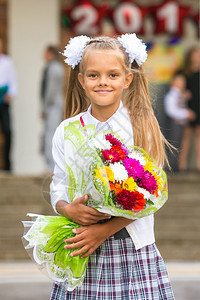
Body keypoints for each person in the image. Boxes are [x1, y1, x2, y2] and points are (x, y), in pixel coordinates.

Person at [50, 34, 175, 299]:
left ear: (127, 79)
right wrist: (66, 207)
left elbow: (152, 193)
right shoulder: (67, 130)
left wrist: (103, 230)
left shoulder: (141, 126)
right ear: (81, 79)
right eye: (93, 75)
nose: (103, 82)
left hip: (133, 249)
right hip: (82, 246)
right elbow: (58, 185)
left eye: (113, 75)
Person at [164, 71, 196, 172]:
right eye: (179, 81)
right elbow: (171, 111)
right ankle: (172, 167)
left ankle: (177, 166)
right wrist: (186, 114)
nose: (181, 83)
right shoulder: (172, 95)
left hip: (181, 125)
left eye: (183, 81)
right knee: (174, 146)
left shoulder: (180, 94)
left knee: (180, 146)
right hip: (174, 124)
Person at [40, 45, 65, 173]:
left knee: (50, 134)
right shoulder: (54, 67)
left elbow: (51, 90)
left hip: (53, 106)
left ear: (50, 53)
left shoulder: (54, 68)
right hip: (53, 105)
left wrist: (45, 106)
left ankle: (51, 165)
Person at [179, 47, 200, 172]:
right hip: (186, 107)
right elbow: (176, 87)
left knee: (198, 135)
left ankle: (198, 165)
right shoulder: (183, 73)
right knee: (185, 135)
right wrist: (183, 93)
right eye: (195, 55)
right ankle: (182, 165)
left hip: (198, 106)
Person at [0, 37, 17, 171]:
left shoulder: (7, 61)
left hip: (3, 100)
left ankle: (7, 165)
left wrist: (10, 94)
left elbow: (13, 80)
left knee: (8, 131)